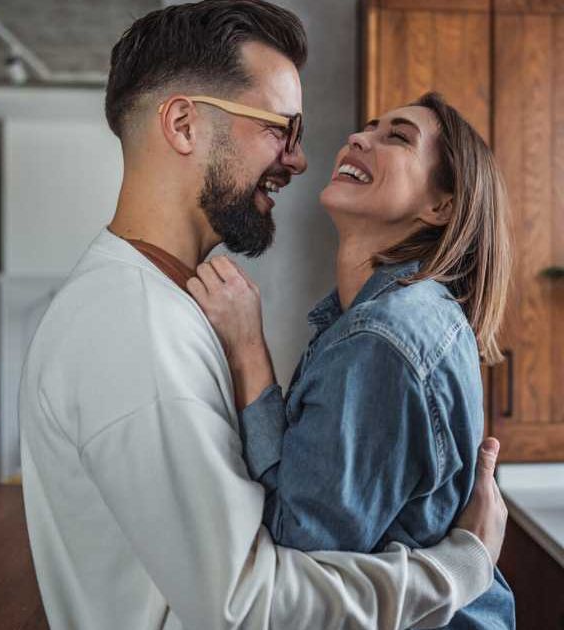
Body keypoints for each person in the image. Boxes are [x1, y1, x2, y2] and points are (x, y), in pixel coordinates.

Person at [18, 2, 507, 628]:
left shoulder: (175, 306)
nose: (299, 160)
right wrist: (463, 567)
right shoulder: (133, 329)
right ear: (185, 125)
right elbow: (249, 606)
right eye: (280, 128)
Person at [188, 92, 514, 628]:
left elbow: (299, 552)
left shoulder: (385, 335)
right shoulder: (394, 314)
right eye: (367, 128)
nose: (358, 139)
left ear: (441, 207)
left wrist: (248, 349)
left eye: (398, 137)